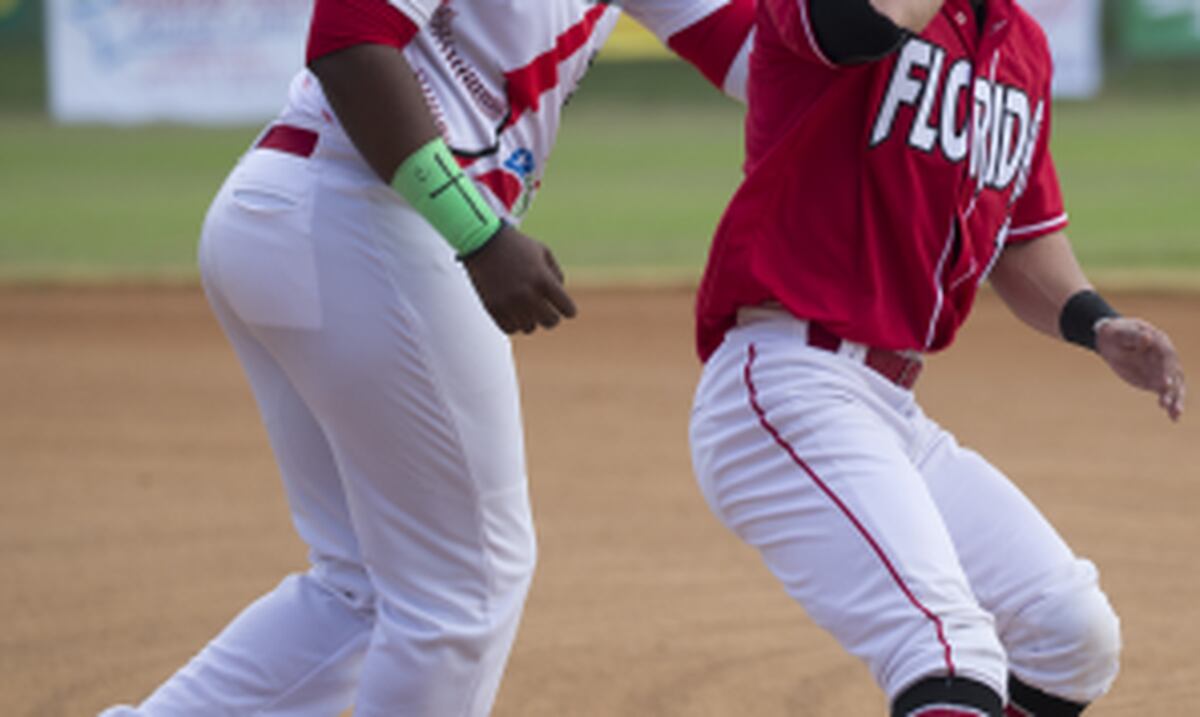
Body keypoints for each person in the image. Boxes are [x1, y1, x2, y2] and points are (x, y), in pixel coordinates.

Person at [100, 1, 754, 715]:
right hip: (369, 214)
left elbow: (759, 51)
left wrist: (887, 25)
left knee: (361, 587)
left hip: (303, 216)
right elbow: (348, 41)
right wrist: (475, 230)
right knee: (464, 587)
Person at [687, 0, 1187, 715]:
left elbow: (1023, 234)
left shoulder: (1023, 46)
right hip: (787, 381)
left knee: (1069, 632)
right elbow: (857, 28)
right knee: (950, 651)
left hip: (890, 407)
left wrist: (1096, 323)